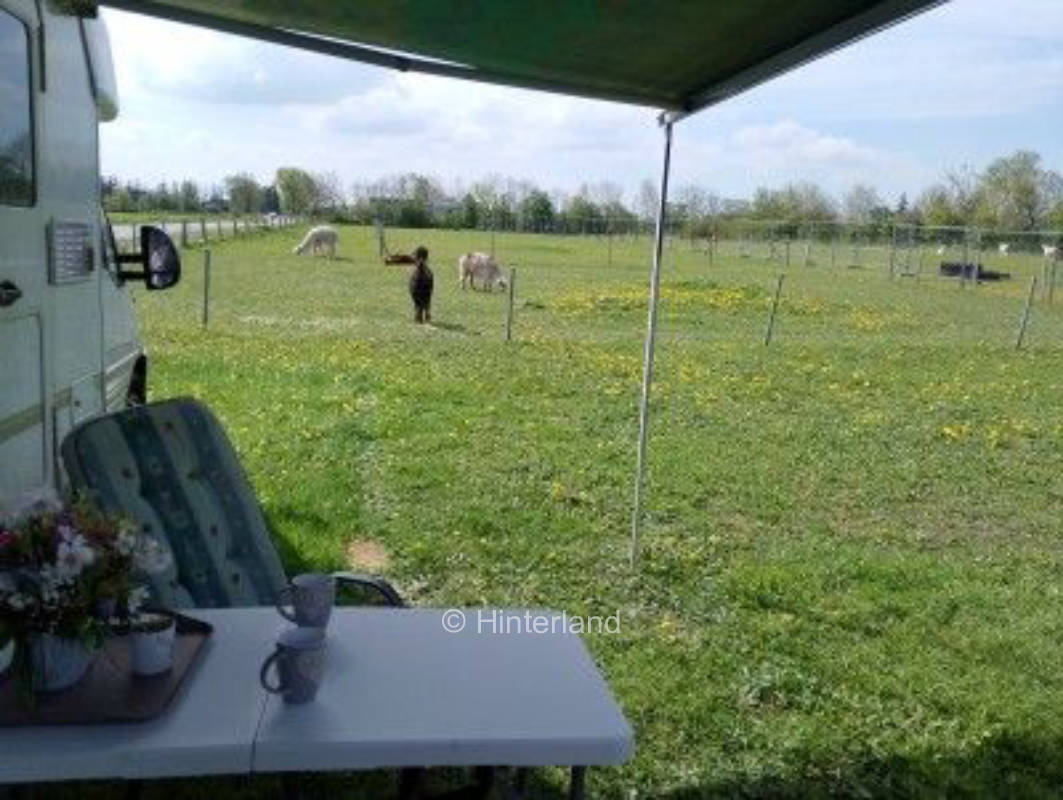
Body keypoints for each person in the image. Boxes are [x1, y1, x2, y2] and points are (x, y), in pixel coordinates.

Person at [408, 245, 433, 324]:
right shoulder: (428, 272)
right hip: (423, 283)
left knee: (418, 299)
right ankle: (424, 313)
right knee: (425, 298)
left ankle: (419, 314)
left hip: (418, 283)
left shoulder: (420, 270)